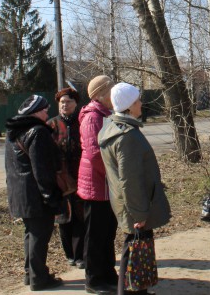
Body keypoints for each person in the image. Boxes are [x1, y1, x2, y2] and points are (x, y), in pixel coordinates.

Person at [99, 83, 171, 295]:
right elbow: (130, 180)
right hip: (134, 205)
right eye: (137, 100)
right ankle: (132, 291)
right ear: (129, 106)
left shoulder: (112, 128)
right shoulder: (127, 136)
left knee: (135, 248)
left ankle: (137, 290)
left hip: (127, 202)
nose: (141, 103)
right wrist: (139, 213)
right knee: (134, 250)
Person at [5, 94, 64, 291]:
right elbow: (42, 169)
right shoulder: (38, 132)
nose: (47, 114)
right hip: (35, 195)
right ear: (36, 112)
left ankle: (30, 274)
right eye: (45, 110)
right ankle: (39, 278)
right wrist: (50, 196)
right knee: (40, 236)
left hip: (19, 193)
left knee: (30, 234)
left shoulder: (14, 131)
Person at [78, 75, 119, 294]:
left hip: (107, 185)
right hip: (96, 185)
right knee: (95, 235)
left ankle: (108, 273)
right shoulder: (93, 117)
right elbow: (95, 154)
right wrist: (114, 174)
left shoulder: (106, 114)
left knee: (108, 232)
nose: (114, 94)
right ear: (101, 94)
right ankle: (94, 279)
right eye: (111, 89)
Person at [48, 87, 85, 268]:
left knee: (80, 216)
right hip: (60, 180)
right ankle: (69, 254)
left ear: (75, 103)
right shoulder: (52, 125)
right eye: (62, 102)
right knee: (64, 218)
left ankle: (80, 256)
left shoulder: (82, 122)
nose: (65, 105)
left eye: (68, 101)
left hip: (81, 177)